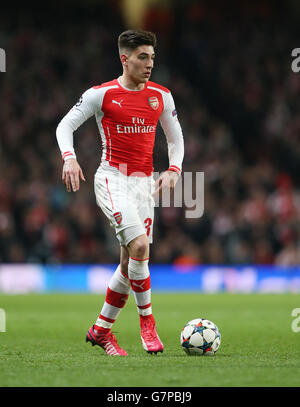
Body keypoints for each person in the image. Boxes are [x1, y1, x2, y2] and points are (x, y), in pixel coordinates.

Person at [56, 29, 184, 356]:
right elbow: (65, 126)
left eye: (152, 57)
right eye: (143, 57)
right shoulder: (102, 95)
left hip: (144, 184)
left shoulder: (161, 96)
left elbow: (175, 138)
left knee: (130, 262)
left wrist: (174, 169)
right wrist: (69, 158)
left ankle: (101, 329)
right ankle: (147, 324)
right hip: (112, 178)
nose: (149, 63)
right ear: (124, 59)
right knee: (140, 246)